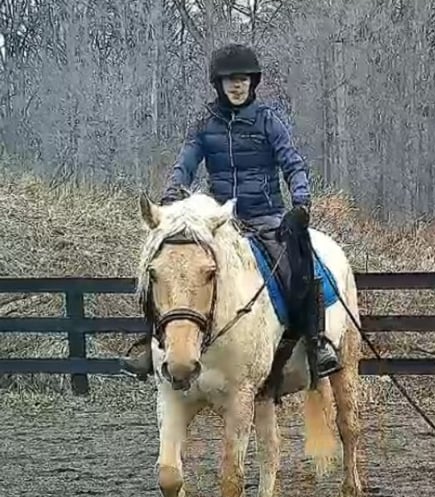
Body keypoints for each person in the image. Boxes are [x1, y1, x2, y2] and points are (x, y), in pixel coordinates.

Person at [119, 42, 340, 383]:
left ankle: (316, 341)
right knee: (168, 268)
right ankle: (149, 344)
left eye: (243, 79)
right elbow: (185, 165)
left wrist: (301, 204)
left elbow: (293, 164)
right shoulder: (204, 123)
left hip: (266, 216)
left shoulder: (268, 121)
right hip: (219, 220)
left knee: (300, 262)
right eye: (230, 80)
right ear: (218, 84)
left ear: (252, 82)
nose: (237, 86)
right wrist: (170, 201)